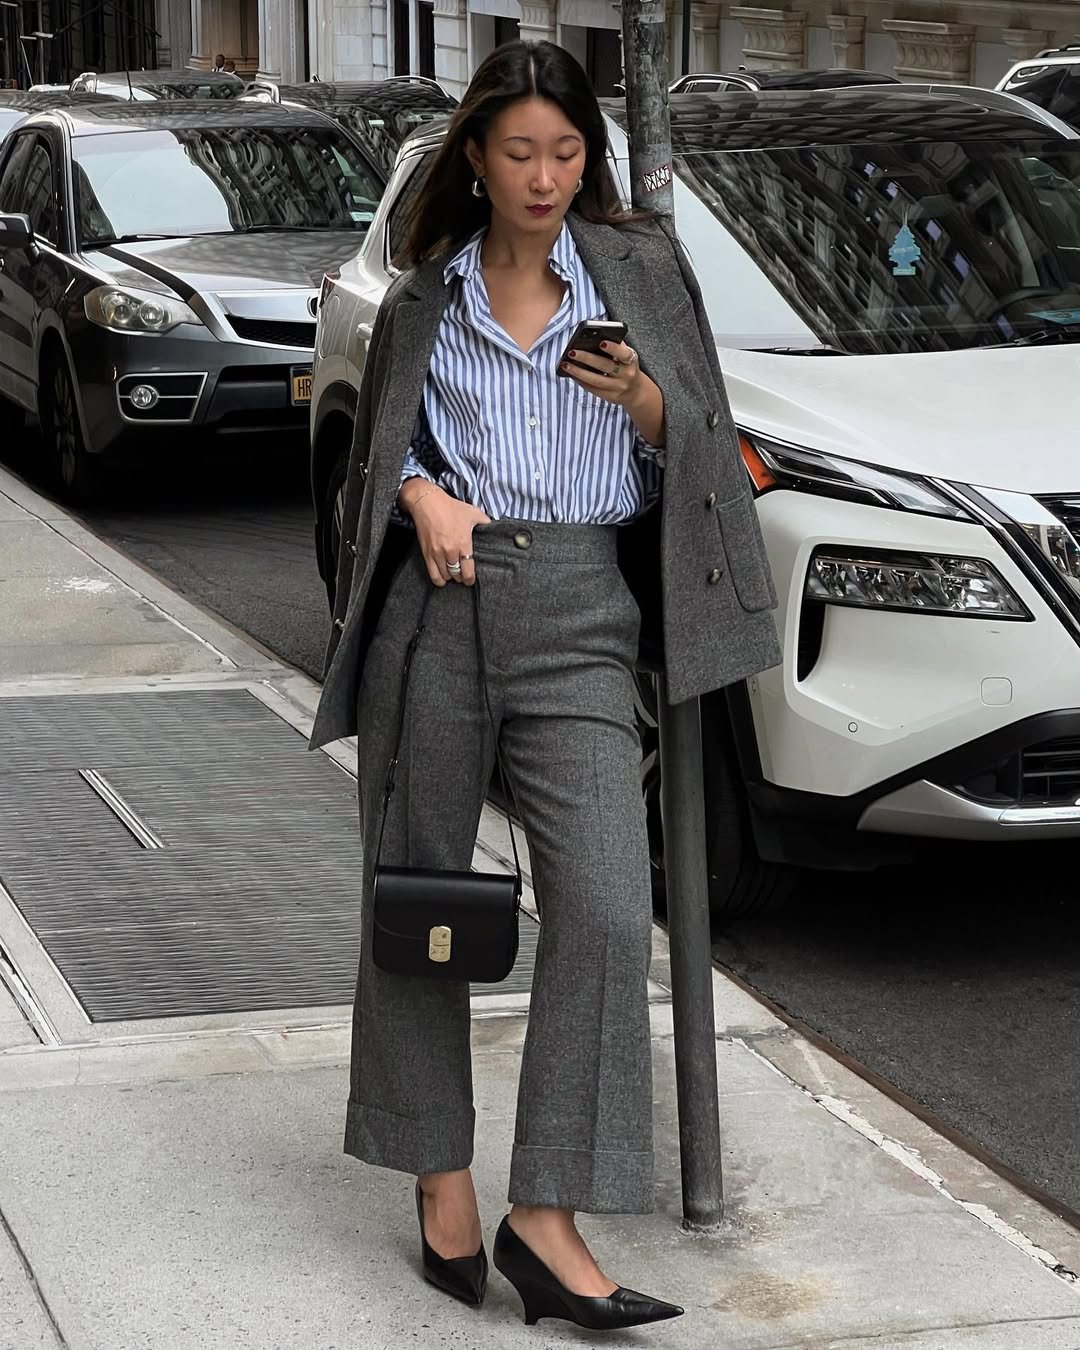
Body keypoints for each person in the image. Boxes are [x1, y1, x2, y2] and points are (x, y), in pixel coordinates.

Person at [309, 38, 781, 1332]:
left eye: (566, 152)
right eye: (519, 150)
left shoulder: (639, 273)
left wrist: (646, 401)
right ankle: (440, 1173)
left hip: (583, 612)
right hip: (443, 610)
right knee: (425, 898)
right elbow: (383, 454)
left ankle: (549, 1208)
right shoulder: (426, 298)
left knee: (611, 905)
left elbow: (707, 448)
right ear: (476, 154)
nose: (544, 175)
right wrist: (422, 494)